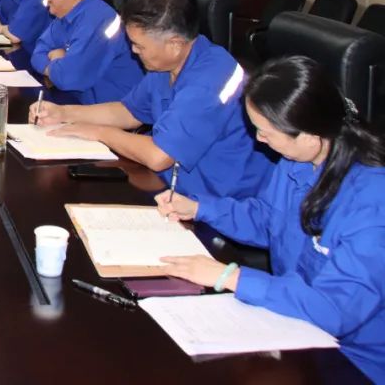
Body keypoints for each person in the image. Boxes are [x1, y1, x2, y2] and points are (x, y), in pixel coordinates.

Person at [157, 56, 385, 382]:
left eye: (265, 132)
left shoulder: (373, 203)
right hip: (294, 325)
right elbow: (268, 219)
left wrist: (231, 277)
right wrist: (199, 209)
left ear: (309, 135)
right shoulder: (298, 159)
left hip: (354, 360)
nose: (258, 140)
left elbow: (334, 310)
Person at [32, 0, 271, 199]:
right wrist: (64, 113)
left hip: (217, 201)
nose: (134, 51)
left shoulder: (209, 81)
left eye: (139, 46)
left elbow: (159, 156)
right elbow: (128, 111)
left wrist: (98, 132)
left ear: (174, 44)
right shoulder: (167, 63)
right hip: (172, 187)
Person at [29, 0, 143, 103]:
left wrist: (54, 61)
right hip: (76, 103)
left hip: (108, 111)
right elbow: (38, 53)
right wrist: (57, 65)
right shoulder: (65, 15)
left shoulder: (100, 19)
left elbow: (67, 78)